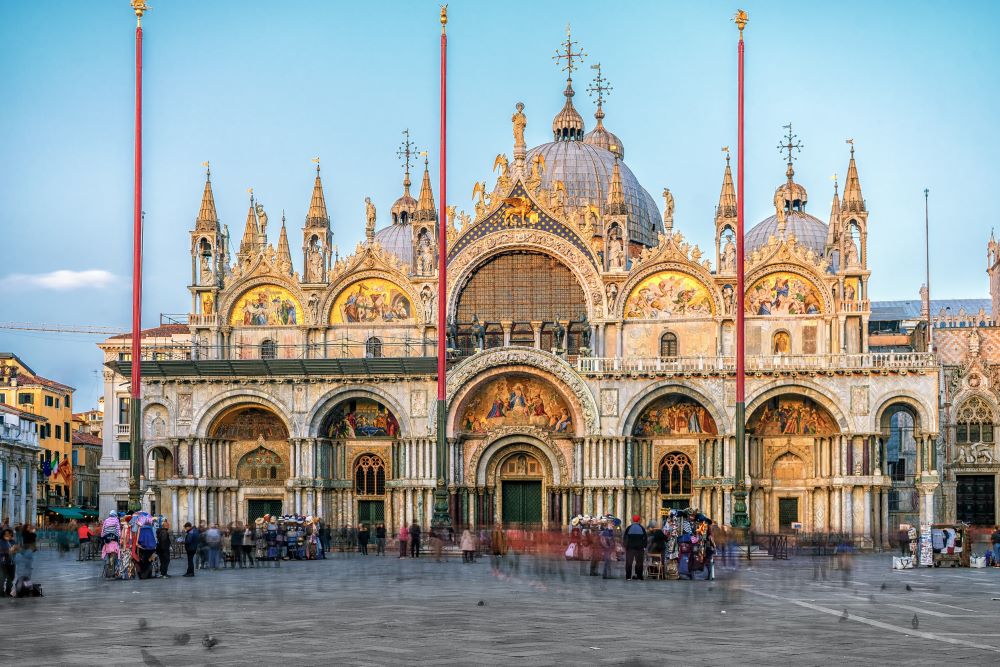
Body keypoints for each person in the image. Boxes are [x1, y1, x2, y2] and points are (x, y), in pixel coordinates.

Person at [622, 514, 647, 581]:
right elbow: (645, 538)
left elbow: (625, 538)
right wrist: (644, 546)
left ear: (633, 520)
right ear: (639, 520)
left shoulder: (629, 528)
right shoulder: (642, 528)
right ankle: (639, 576)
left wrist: (625, 546)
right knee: (639, 562)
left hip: (630, 548)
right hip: (640, 548)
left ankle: (628, 577)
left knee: (629, 562)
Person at [0, 528, 16, 596]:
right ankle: (1, 592)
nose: (8, 535)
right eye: (6, 534)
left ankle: (8, 591)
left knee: (11, 578)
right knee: (2, 578)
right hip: (3, 563)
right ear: (3, 535)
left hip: (12, 563)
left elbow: (16, 550)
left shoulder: (13, 541)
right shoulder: (1, 541)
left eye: (9, 534)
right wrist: (8, 551)